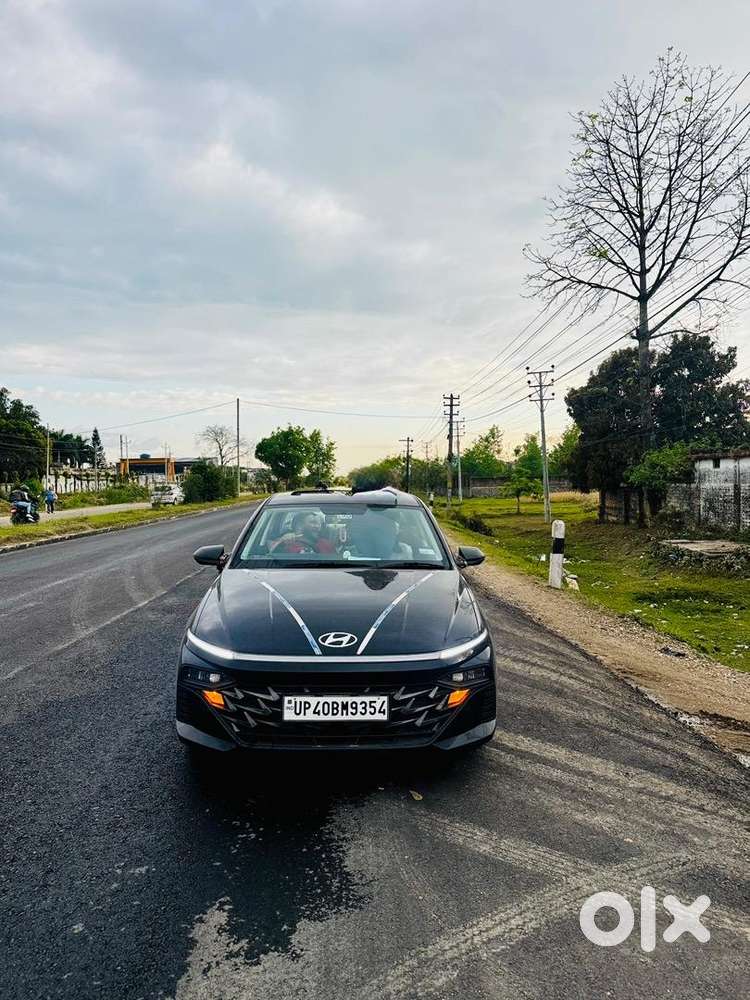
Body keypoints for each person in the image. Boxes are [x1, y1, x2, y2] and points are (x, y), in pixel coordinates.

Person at [269, 511, 336, 554]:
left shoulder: (327, 544)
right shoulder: (287, 542)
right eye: (312, 522)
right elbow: (269, 554)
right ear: (299, 526)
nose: (317, 526)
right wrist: (282, 541)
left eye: (319, 523)